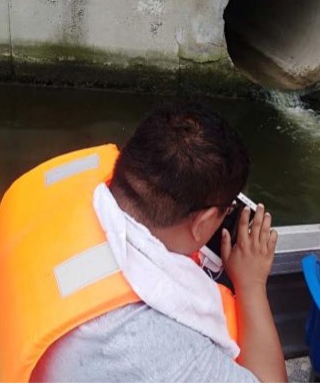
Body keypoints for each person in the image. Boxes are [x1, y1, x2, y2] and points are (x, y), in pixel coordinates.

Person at [0, 102, 287, 382]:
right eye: (226, 210)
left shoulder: (66, 182)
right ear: (202, 223)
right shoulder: (154, 344)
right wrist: (251, 284)